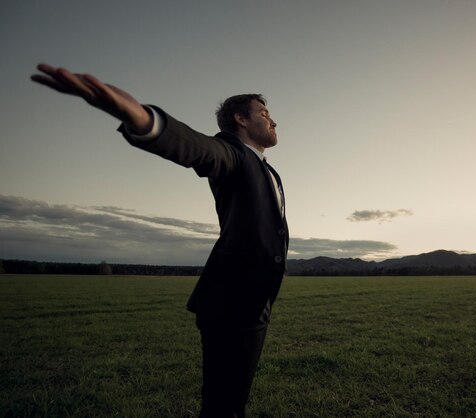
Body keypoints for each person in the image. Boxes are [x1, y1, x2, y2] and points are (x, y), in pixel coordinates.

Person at [31, 64, 289, 417]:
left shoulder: (265, 167)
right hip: (231, 303)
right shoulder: (231, 153)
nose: (273, 121)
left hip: (254, 302)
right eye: (264, 113)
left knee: (234, 401)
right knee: (223, 405)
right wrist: (143, 119)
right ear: (240, 119)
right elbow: (197, 149)